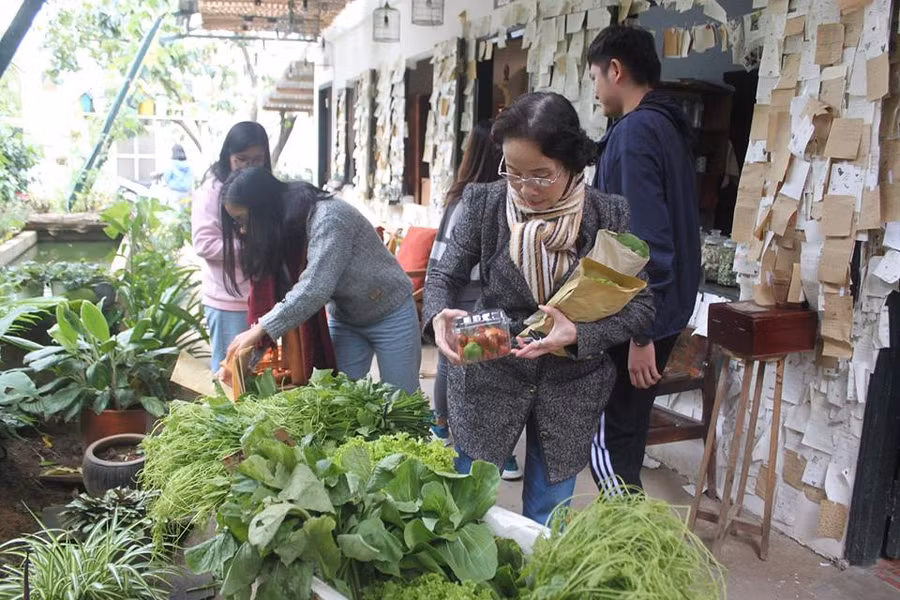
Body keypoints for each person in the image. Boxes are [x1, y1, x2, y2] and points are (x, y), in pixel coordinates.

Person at [426, 92, 655, 525]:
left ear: (572, 163)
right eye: (513, 173)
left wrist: (578, 334)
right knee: (466, 505)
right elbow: (443, 275)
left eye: (541, 176)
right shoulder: (485, 203)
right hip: (488, 350)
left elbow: (641, 305)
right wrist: (438, 313)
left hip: (571, 376)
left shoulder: (606, 214)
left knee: (548, 513)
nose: (526, 189)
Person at [587, 25, 702, 490]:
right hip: (663, 307)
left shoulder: (636, 133)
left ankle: (626, 546)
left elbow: (644, 239)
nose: (594, 90)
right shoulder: (665, 124)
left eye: (594, 77)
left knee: (611, 445)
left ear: (616, 70)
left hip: (640, 313)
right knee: (626, 437)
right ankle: (627, 545)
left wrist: (640, 334)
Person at [220, 166, 422, 395]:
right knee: (340, 401)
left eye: (243, 220)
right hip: (346, 318)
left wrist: (260, 329)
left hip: (391, 312)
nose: (243, 230)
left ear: (263, 209)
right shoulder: (287, 227)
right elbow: (277, 293)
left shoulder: (329, 218)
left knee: (402, 403)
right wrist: (246, 358)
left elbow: (314, 288)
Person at [426, 120, 522, 481]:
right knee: (472, 362)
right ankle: (494, 448)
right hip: (470, 292)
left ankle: (444, 426)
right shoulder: (474, 200)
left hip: (477, 291)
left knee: (463, 362)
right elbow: (447, 262)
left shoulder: (462, 195)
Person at [191, 121, 270, 373]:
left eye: (257, 160)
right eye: (242, 160)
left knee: (254, 374)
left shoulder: (262, 186)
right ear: (228, 157)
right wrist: (255, 246)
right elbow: (203, 243)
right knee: (229, 376)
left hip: (259, 297)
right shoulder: (211, 190)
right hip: (228, 302)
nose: (249, 167)